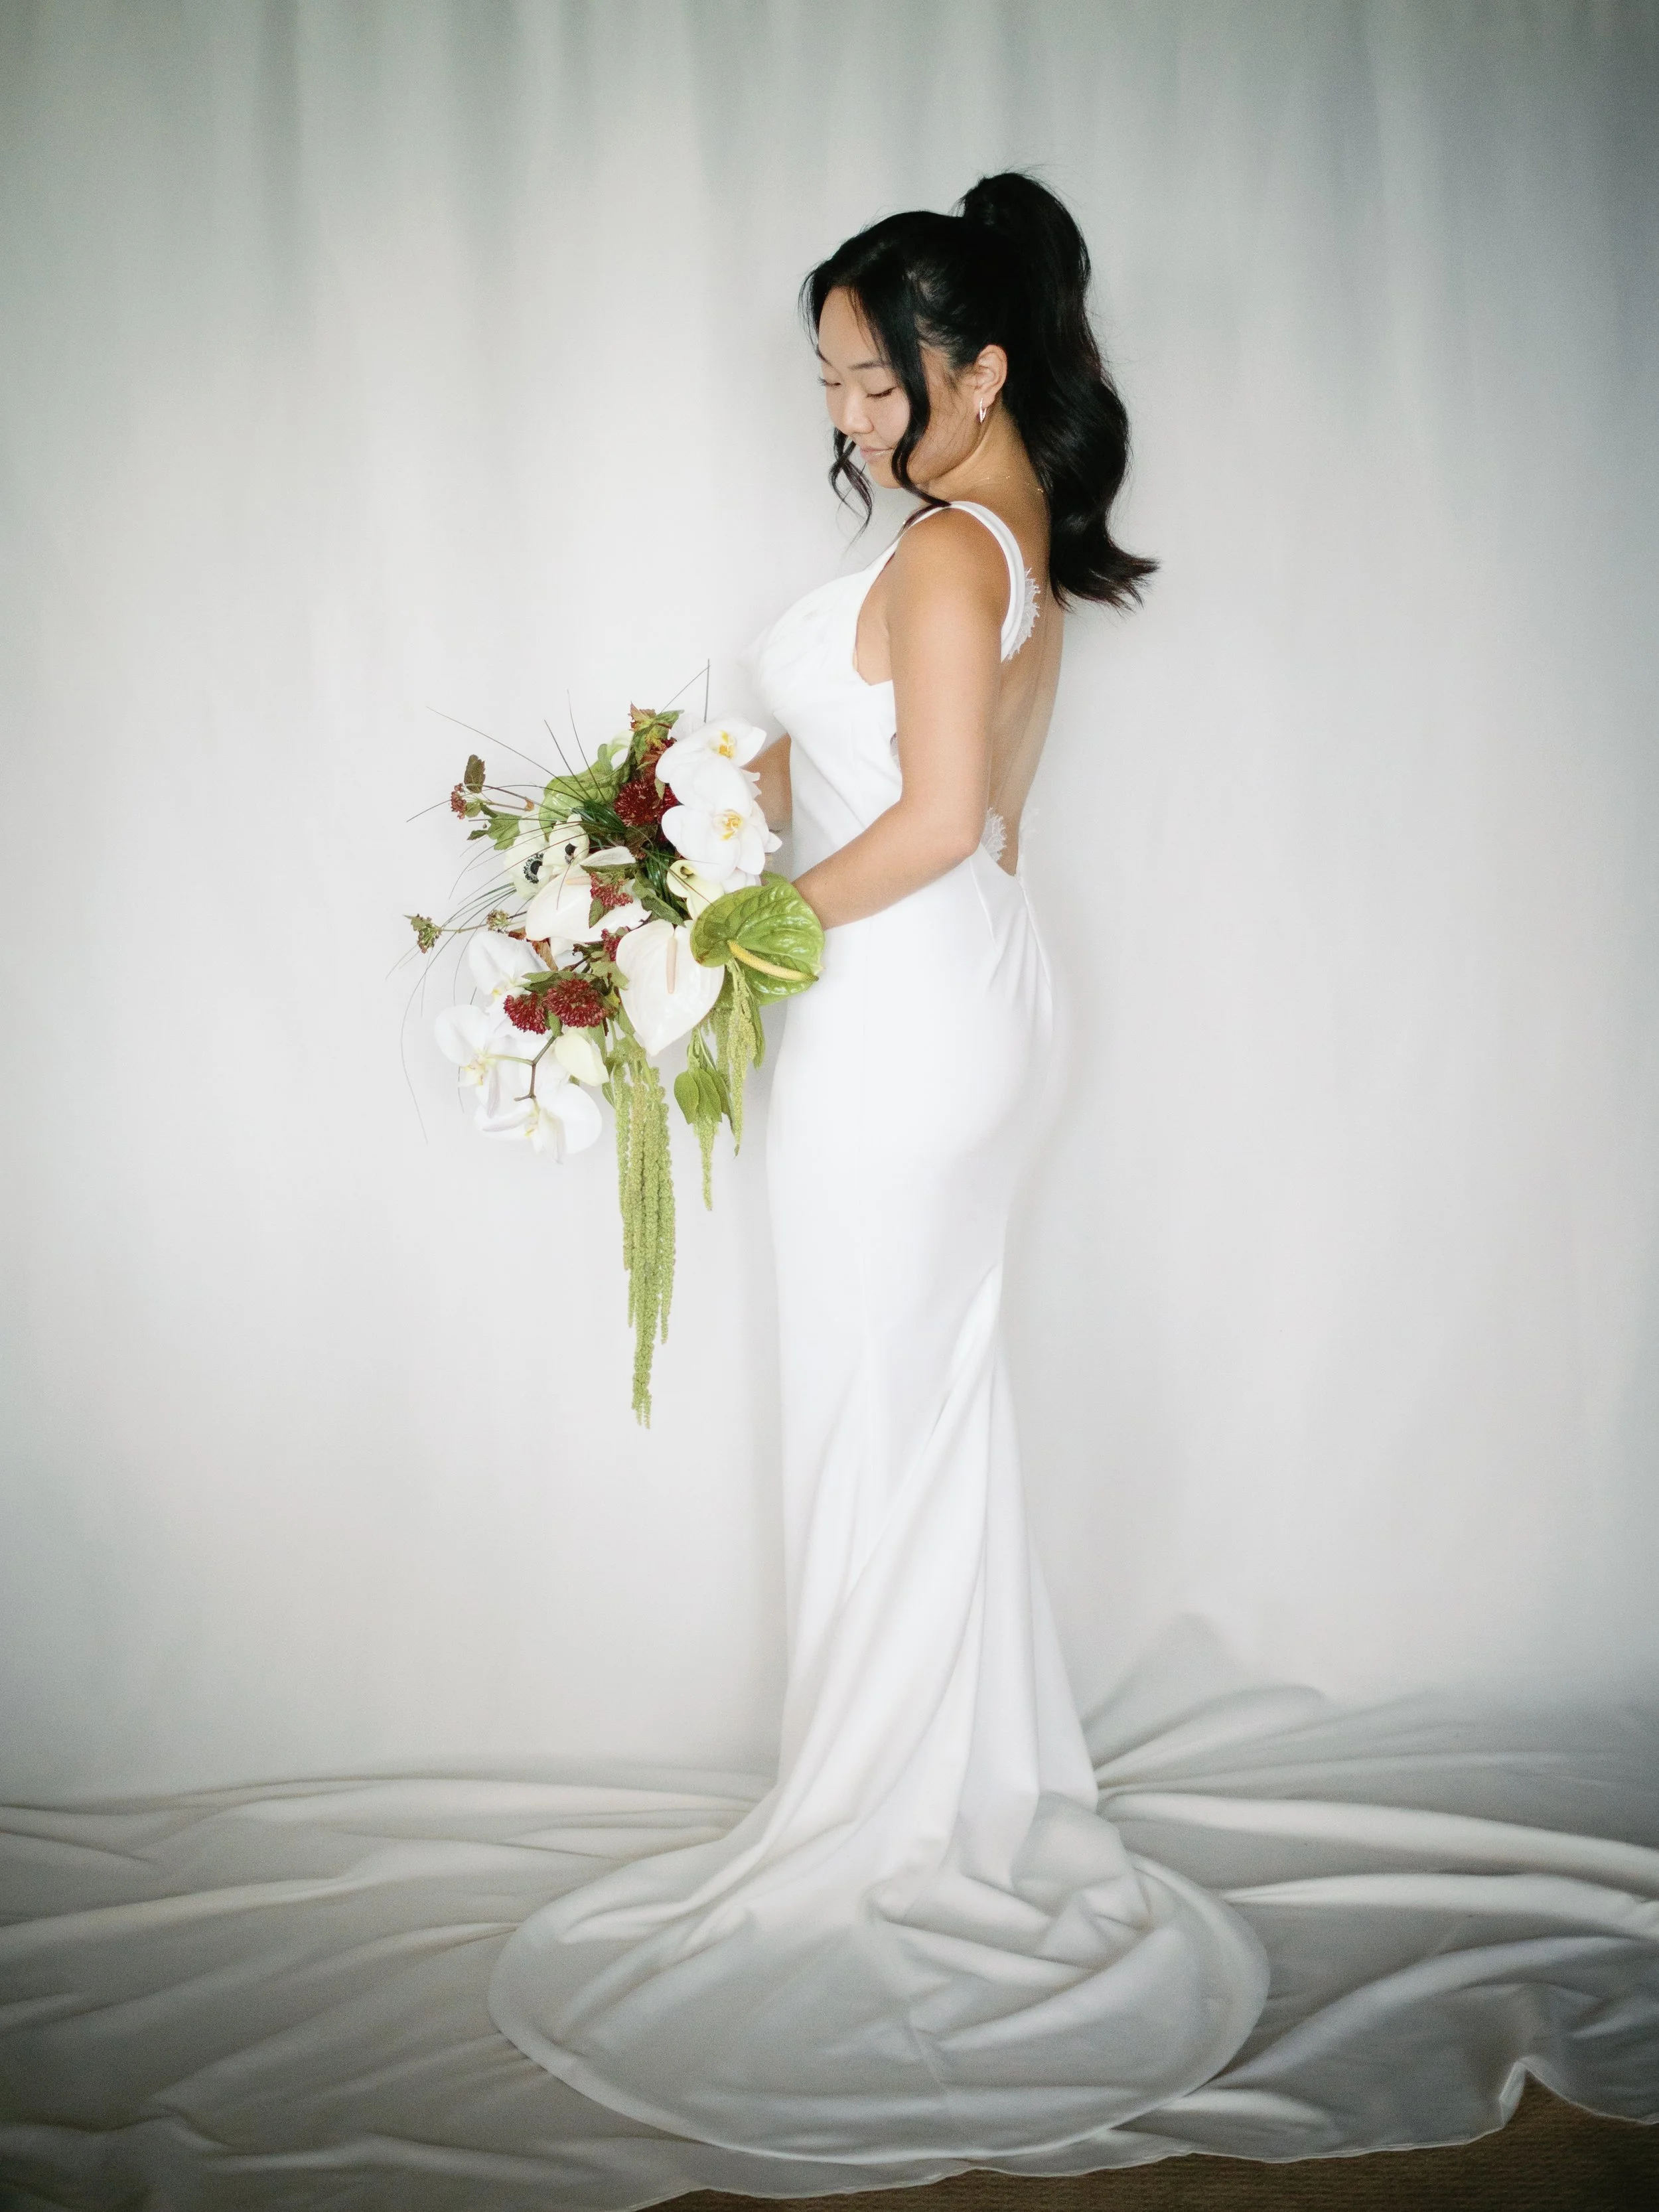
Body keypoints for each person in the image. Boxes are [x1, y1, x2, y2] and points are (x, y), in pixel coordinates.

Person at [486, 172, 1271, 2161]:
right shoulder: (1013, 545)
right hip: (962, 1006)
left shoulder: (944, 551)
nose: (839, 411)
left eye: (862, 375)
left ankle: (889, 1820)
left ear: (974, 365)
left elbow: (929, 822)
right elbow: (972, 816)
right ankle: (953, 1784)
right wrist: (707, 828)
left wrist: (707, 938)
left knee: (875, 1413)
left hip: (906, 1019)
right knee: (921, 1411)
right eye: (825, 379)